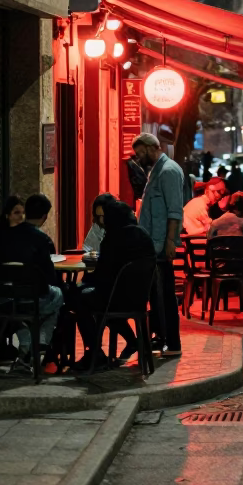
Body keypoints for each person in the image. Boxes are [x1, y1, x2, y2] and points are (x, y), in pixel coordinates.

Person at [69, 198, 156, 371]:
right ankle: (130, 342)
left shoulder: (113, 239)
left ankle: (94, 353)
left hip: (114, 298)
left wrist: (84, 283)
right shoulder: (144, 236)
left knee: (78, 299)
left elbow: (102, 275)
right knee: (91, 298)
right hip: (138, 299)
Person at [0, 192, 63, 366]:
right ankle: (40, 343)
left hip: (4, 300)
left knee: (27, 309)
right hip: (31, 299)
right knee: (58, 296)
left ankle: (26, 347)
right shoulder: (41, 239)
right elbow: (50, 276)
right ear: (44, 217)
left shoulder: (3, 236)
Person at [133, 132, 184, 356]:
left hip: (161, 245)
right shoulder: (155, 172)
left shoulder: (169, 171)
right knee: (157, 296)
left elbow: (174, 211)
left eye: (140, 152)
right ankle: (161, 338)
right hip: (153, 246)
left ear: (151, 147)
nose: (138, 157)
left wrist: (170, 241)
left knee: (165, 295)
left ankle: (173, 343)